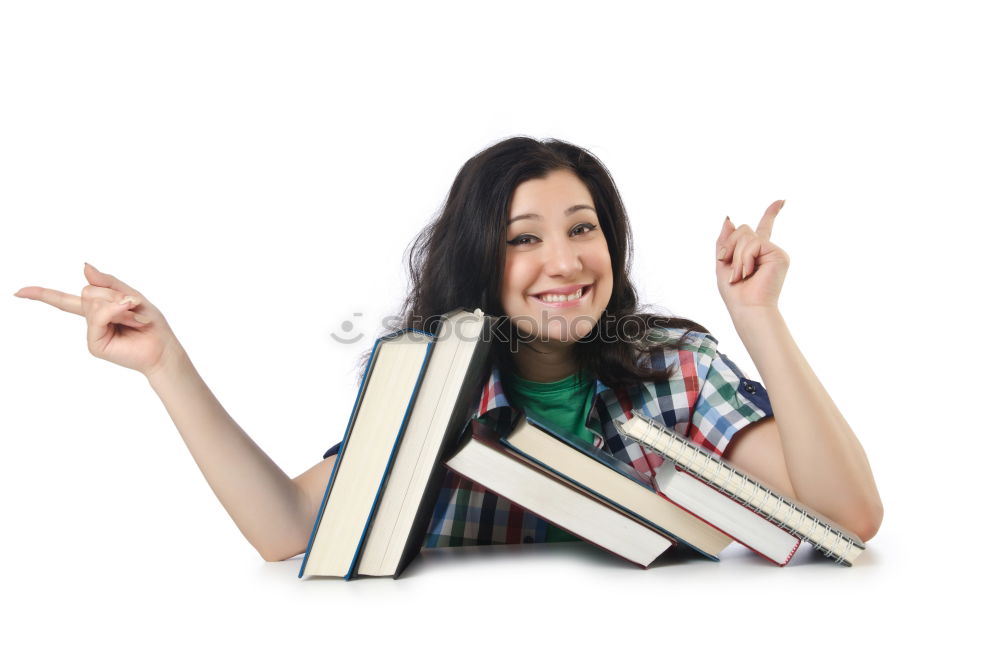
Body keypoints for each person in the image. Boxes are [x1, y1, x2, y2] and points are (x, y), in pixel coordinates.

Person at [13, 137, 883, 563]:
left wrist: (758, 317)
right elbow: (287, 530)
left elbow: (847, 516)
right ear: (479, 261)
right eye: (523, 239)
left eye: (584, 230)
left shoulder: (673, 370)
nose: (564, 263)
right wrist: (166, 363)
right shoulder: (428, 387)